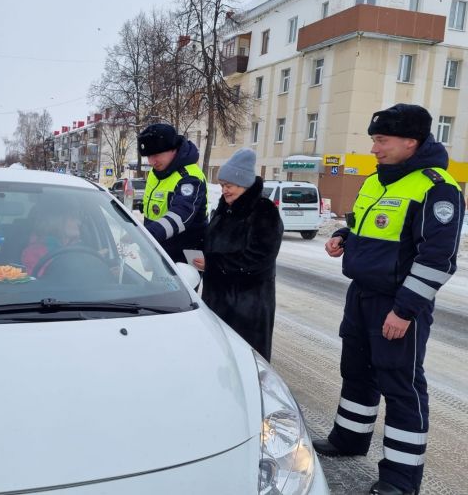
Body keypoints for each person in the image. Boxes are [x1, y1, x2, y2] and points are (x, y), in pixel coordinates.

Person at [312, 104, 465, 495]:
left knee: (401, 387)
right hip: (361, 294)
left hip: (399, 303)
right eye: (374, 140)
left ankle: (400, 479)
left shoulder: (437, 186)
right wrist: (344, 239)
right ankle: (349, 439)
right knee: (357, 371)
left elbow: (438, 259)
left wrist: (404, 310)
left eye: (381, 140)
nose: (374, 148)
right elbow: (364, 226)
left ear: (410, 142)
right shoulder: (378, 180)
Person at [191, 148, 283, 361]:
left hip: (248, 307)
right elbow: (211, 242)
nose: (224, 190)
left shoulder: (263, 212)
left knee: (245, 365)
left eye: (229, 185)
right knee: (218, 361)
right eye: (223, 185)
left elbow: (259, 257)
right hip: (217, 301)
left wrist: (213, 263)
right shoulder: (224, 210)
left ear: (244, 184)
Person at [137, 123, 208, 263]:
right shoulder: (156, 171)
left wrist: (145, 234)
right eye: (148, 156)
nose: (152, 162)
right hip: (160, 251)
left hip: (185, 257)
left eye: (156, 155)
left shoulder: (190, 177)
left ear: (173, 150)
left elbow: (180, 216)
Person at [21, 211, 82, 275]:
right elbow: (41, 282)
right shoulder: (34, 252)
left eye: (78, 219)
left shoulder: (83, 247)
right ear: (57, 222)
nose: (79, 223)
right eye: (73, 219)